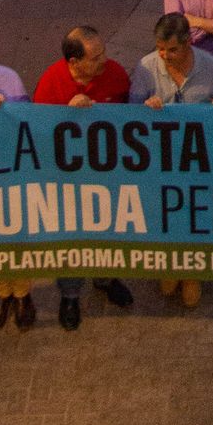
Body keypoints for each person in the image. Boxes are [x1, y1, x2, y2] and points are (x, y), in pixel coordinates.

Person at [30, 27, 136, 321]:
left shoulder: (114, 75)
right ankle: (70, 294)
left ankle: (106, 279)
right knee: (71, 237)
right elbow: (38, 135)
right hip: (69, 181)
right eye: (96, 56)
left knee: (108, 231)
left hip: (108, 176)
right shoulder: (51, 84)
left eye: (104, 52)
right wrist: (66, 115)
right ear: (74, 62)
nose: (105, 60)